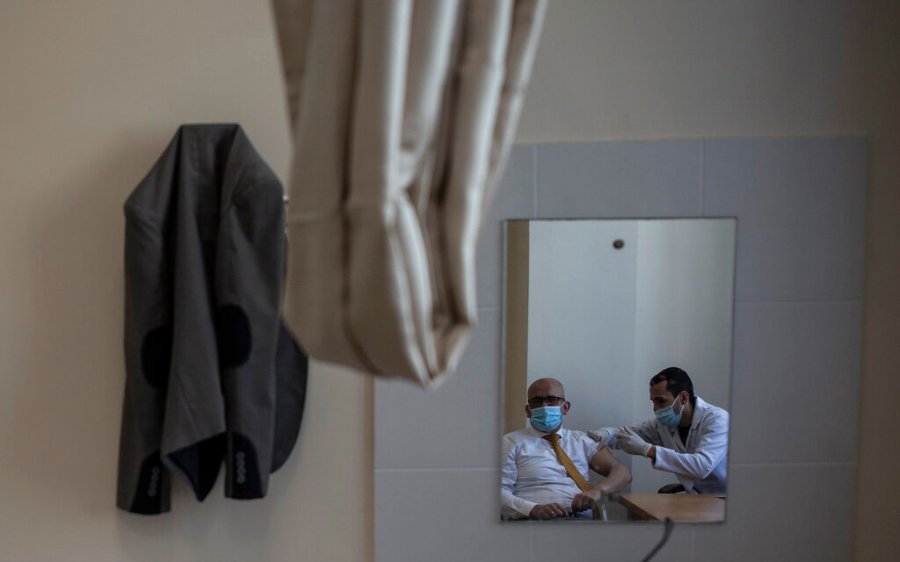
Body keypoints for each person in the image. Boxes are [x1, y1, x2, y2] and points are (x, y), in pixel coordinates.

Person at [501, 377, 632, 520]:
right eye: (536, 401)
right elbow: (497, 493)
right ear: (528, 410)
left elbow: (622, 472)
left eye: (551, 399)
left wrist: (597, 491)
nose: (544, 406)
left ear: (565, 407)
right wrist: (532, 509)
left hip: (580, 519)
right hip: (532, 521)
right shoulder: (510, 442)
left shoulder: (582, 440)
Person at [591, 366, 728, 494]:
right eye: (653, 402)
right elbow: (628, 435)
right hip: (695, 496)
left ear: (684, 398)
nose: (655, 408)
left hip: (724, 498)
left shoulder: (717, 419)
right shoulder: (664, 425)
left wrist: (648, 450)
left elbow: (702, 466)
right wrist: (607, 434)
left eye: (661, 401)